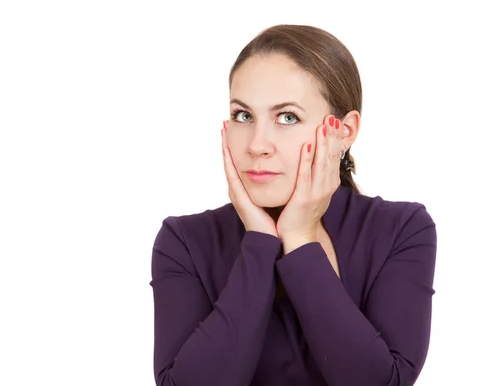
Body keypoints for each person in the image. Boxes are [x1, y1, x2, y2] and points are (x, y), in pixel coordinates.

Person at [149, 25, 437, 386]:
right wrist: (259, 241)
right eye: (243, 115)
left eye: (287, 117)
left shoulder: (401, 229)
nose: (257, 144)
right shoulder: (184, 241)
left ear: (343, 131)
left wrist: (300, 236)